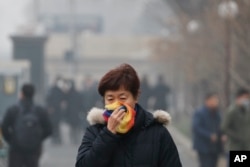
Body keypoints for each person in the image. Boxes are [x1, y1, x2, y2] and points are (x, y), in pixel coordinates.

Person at [75, 64, 182, 167]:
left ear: (136, 97)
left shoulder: (157, 133)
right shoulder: (95, 132)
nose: (117, 105)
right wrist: (108, 135)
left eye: (122, 98)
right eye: (110, 99)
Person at [2, 83, 52, 167]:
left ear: (21, 94)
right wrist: (38, 139)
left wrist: (11, 140)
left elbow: (4, 127)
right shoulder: (40, 110)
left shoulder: (13, 109)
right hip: (34, 149)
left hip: (16, 149)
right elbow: (49, 129)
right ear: (33, 94)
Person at [192, 93, 223, 167]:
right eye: (214, 100)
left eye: (216, 101)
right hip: (203, 146)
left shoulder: (217, 113)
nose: (216, 102)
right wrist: (209, 135)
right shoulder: (200, 112)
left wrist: (222, 135)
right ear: (207, 101)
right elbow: (196, 127)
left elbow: (220, 127)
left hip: (215, 146)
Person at [46, 76, 65, 144]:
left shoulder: (59, 90)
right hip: (53, 110)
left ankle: (58, 138)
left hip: (57, 110)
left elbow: (63, 99)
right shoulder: (52, 90)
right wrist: (50, 107)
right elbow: (48, 99)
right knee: (54, 125)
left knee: (57, 125)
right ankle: (54, 138)